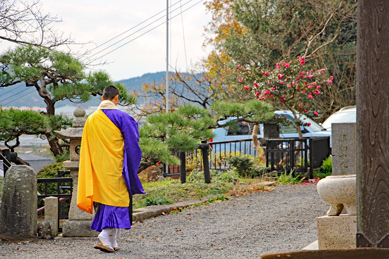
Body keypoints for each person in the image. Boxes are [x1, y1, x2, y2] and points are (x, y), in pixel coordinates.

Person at [77, 85, 145, 253]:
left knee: (106, 203)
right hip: (116, 167)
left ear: (102, 98)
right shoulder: (122, 117)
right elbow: (133, 144)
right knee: (118, 201)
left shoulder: (91, 119)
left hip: (97, 169)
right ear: (116, 98)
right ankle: (105, 234)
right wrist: (132, 165)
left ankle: (112, 241)